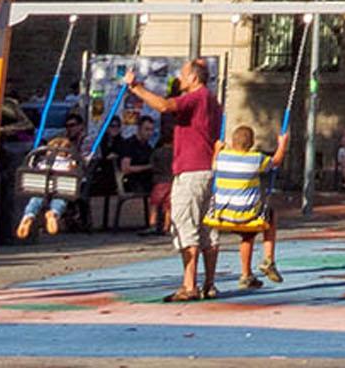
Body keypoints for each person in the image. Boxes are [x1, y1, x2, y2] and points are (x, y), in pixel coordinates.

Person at [124, 59, 223, 302]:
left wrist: (136, 87)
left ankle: (189, 285)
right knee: (207, 227)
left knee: (185, 225)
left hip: (190, 169)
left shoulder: (195, 97)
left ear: (193, 78)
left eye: (183, 74)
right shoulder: (212, 101)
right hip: (207, 168)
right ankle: (209, 283)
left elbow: (165, 106)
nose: (179, 79)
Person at [206, 124, 289, 290]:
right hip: (246, 213)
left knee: (248, 234)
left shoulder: (222, 156)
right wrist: (282, 144)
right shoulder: (256, 158)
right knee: (270, 215)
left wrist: (217, 148)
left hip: (222, 213)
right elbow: (276, 161)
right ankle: (269, 259)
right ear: (251, 144)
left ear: (232, 142)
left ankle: (246, 275)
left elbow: (213, 164)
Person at [17, 114, 87, 238]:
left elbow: (34, 167)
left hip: (41, 185)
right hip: (61, 187)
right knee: (60, 200)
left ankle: (28, 215)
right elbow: (78, 172)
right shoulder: (69, 161)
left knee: (35, 200)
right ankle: (54, 213)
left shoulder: (44, 161)